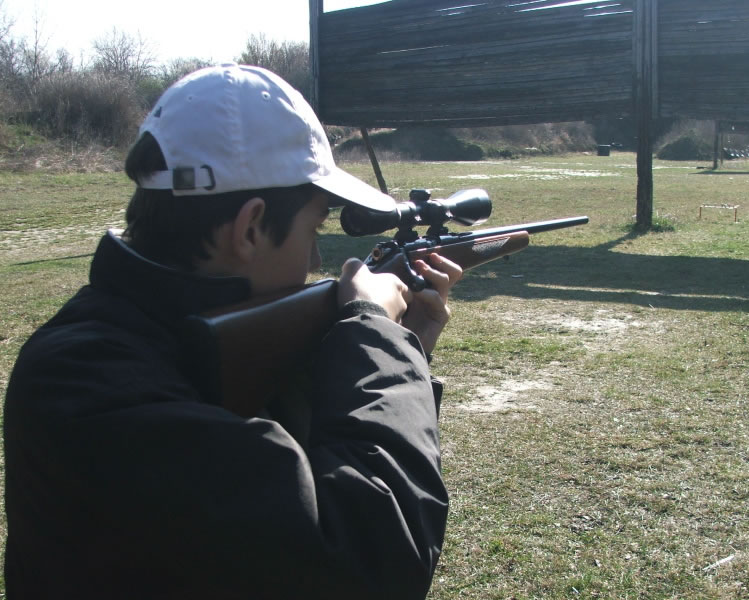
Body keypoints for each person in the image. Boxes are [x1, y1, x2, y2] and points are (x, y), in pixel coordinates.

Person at [3, 64, 461, 599]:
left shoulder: (146, 342)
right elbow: (370, 558)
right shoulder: (83, 384)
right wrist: (375, 334)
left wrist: (406, 348)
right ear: (249, 228)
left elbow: (296, 464)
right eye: (313, 230)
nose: (316, 260)